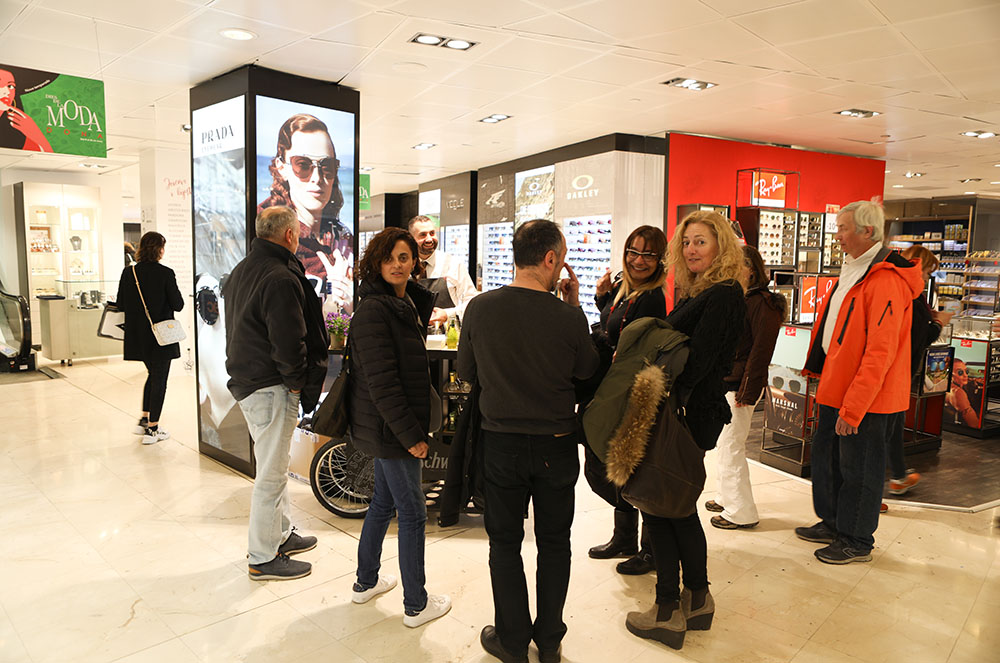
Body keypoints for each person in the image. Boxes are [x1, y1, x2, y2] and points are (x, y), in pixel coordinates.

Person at [458, 219, 600, 663]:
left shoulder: (480, 308)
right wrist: (575, 310)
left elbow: (466, 372)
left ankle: (512, 640)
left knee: (504, 543)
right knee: (555, 542)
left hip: (501, 443)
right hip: (556, 443)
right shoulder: (567, 317)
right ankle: (550, 640)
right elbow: (587, 371)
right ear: (551, 259)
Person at [624, 210, 745, 650]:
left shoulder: (723, 294)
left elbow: (698, 363)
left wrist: (654, 374)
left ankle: (665, 610)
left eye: (701, 242)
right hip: (691, 412)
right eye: (688, 242)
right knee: (677, 506)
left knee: (661, 508)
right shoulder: (707, 291)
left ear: (721, 246)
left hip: (687, 414)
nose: (692, 249)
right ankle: (696, 597)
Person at [796, 201, 923, 564]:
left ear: (868, 231)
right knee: (830, 461)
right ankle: (835, 523)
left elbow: (880, 352)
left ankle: (856, 539)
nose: (837, 235)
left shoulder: (885, 280)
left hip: (868, 398)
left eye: (843, 228)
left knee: (860, 469)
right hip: (836, 387)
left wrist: (854, 408)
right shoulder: (854, 270)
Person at [347, 227, 452, 628]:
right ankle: (416, 605)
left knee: (383, 503)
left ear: (414, 262)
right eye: (388, 258)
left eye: (404, 257)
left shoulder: (401, 303)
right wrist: (412, 438)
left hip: (387, 426)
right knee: (412, 513)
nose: (396, 265)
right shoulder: (375, 310)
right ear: (376, 262)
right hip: (393, 429)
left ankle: (365, 582)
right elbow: (383, 384)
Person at [223, 206, 328, 581]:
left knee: (275, 466)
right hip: (270, 386)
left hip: (250, 382)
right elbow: (288, 340)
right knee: (271, 473)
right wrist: (297, 381)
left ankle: (280, 534)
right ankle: (262, 556)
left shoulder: (243, 269)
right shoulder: (280, 276)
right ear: (289, 235)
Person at [584, 226, 668, 575]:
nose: (638, 260)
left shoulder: (652, 297)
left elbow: (629, 346)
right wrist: (603, 299)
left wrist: (600, 337)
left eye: (648, 254)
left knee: (630, 468)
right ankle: (624, 537)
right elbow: (614, 328)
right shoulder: (626, 289)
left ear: (660, 259)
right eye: (633, 252)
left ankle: (649, 549)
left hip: (627, 393)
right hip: (611, 387)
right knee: (607, 467)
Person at [706, 244, 785, 530]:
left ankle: (741, 512)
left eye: (735, 263)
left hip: (741, 385)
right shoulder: (741, 299)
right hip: (730, 382)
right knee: (725, 444)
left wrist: (748, 390)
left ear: (751, 270)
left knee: (731, 446)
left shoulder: (762, 303)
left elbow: (761, 351)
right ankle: (726, 497)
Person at [259, 113, 353, 314]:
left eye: (327, 167)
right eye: (302, 165)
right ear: (281, 167)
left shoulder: (343, 239)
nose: (317, 178)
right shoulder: (267, 232)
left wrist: (349, 304)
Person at [885, 246, 953, 497]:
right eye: (927, 272)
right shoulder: (910, 293)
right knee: (887, 425)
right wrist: (939, 322)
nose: (926, 277)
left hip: (896, 367)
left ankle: (898, 475)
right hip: (898, 368)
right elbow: (919, 337)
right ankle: (884, 484)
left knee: (892, 423)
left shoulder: (901, 289)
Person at [116, 231, 184, 445]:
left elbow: (120, 303)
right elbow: (178, 304)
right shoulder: (166, 273)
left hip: (137, 336)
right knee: (159, 380)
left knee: (152, 375)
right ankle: (153, 429)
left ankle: (144, 420)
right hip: (160, 336)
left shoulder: (129, 273)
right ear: (159, 250)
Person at [409, 215, 479, 326]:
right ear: (411, 239)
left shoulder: (453, 263)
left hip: (447, 333)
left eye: (432, 233)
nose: (429, 239)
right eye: (423, 235)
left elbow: (473, 302)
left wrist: (448, 314)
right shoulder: (405, 265)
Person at [0, 67, 53, 152]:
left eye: (10, 86)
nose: (7, 92)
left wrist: (36, 134)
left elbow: (48, 156)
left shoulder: (17, 130)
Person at [946, 359, 982, 428]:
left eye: (966, 371)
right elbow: (974, 424)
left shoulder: (947, 384)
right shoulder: (957, 392)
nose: (965, 375)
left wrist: (975, 380)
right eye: (960, 372)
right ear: (950, 374)